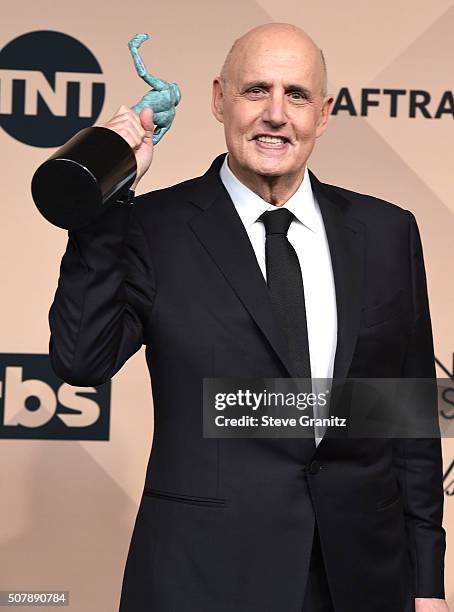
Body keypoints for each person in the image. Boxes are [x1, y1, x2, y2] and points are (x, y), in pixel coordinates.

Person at [48, 23, 448, 612]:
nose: (276, 115)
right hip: (202, 576)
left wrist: (426, 583)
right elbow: (82, 359)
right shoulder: (150, 227)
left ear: (325, 113)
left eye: (297, 95)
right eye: (256, 90)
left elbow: (407, 419)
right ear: (218, 99)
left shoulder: (387, 232)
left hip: (362, 577)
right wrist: (105, 202)